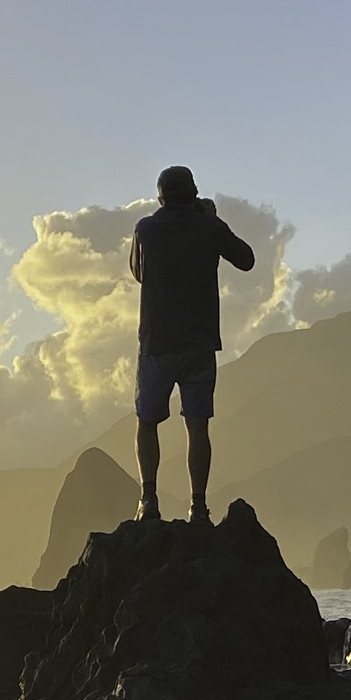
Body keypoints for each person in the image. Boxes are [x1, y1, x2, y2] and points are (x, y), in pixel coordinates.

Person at [128, 165, 256, 522]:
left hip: (156, 342)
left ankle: (148, 501)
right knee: (197, 425)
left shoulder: (145, 229)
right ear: (194, 193)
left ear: (160, 197)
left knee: (147, 421)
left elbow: (138, 272)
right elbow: (246, 260)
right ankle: (198, 507)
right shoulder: (209, 227)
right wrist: (212, 218)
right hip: (199, 344)